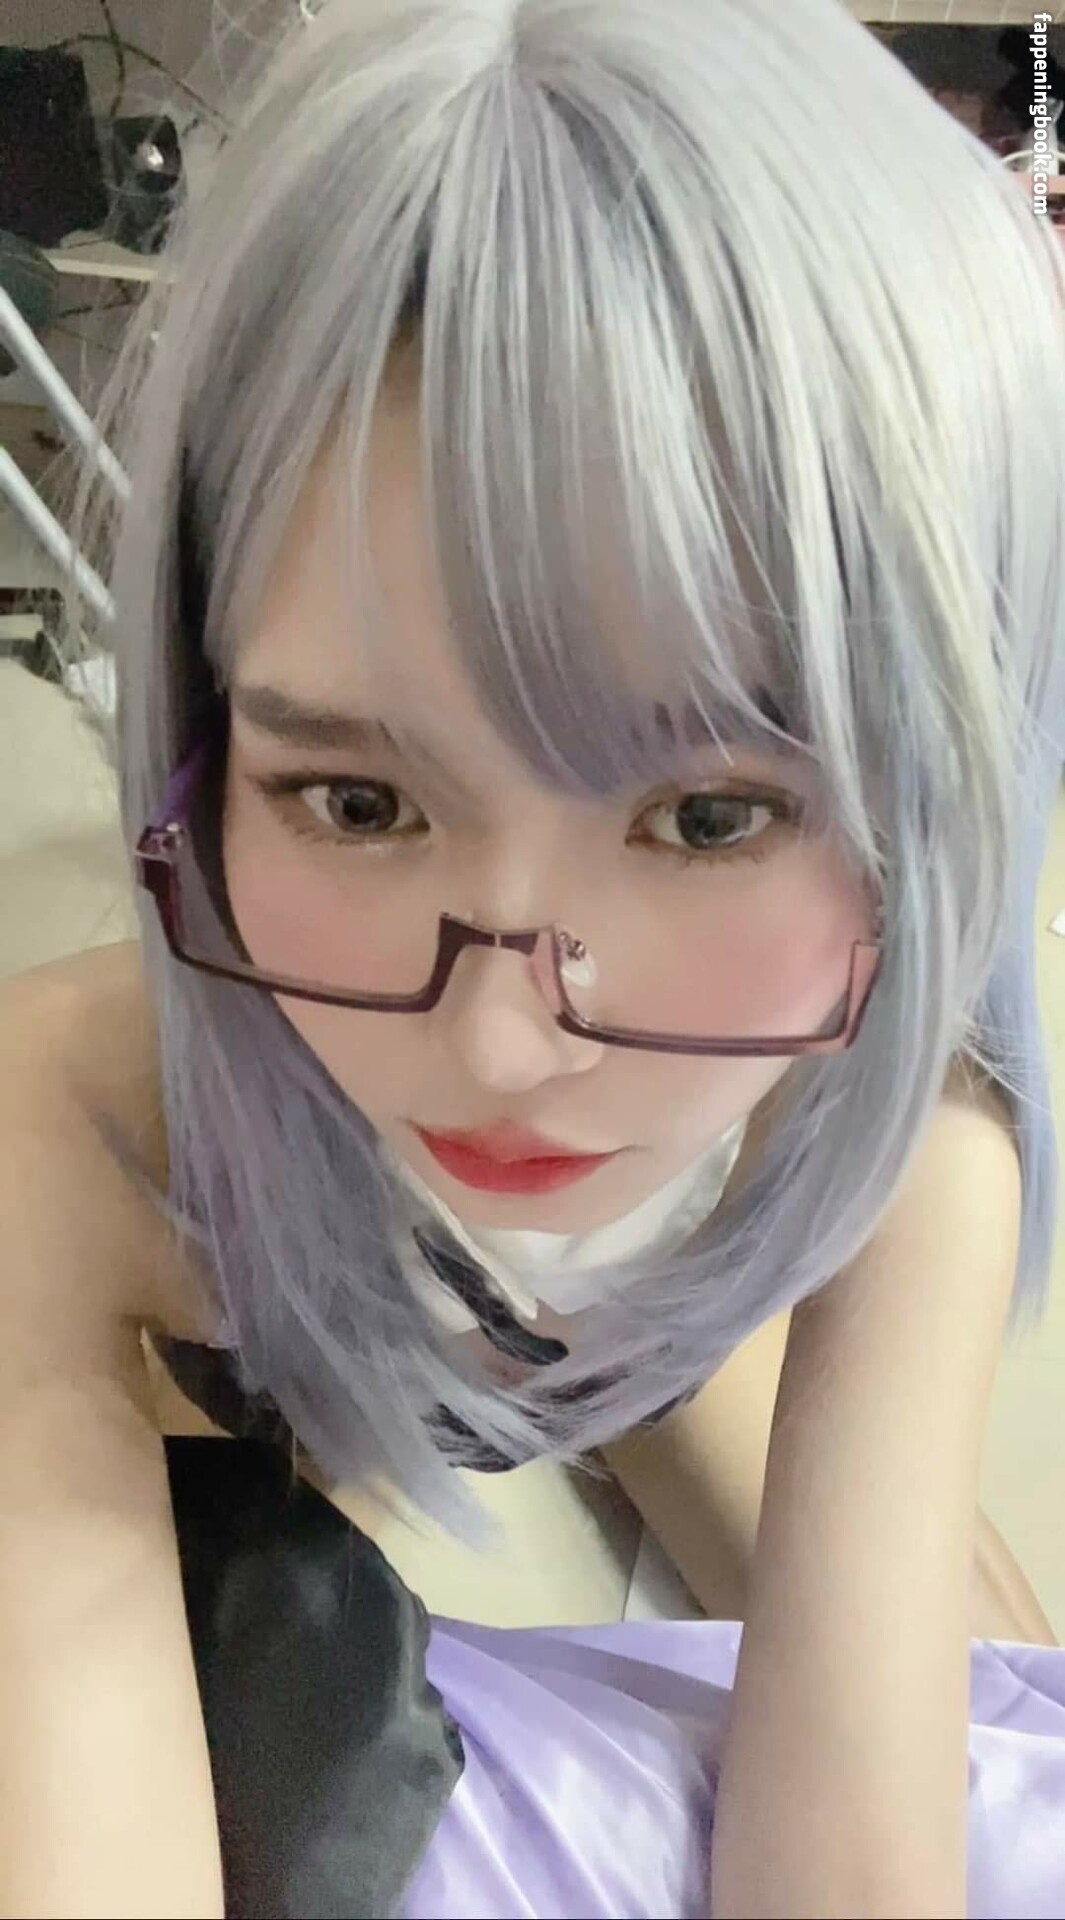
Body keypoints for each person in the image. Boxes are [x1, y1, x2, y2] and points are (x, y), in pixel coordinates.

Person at [4, 0, 1065, 1915]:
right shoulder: (57, 1138)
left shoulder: (903, 1147)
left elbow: (851, 1862)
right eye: (352, 800)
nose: (501, 1048)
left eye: (709, 817)